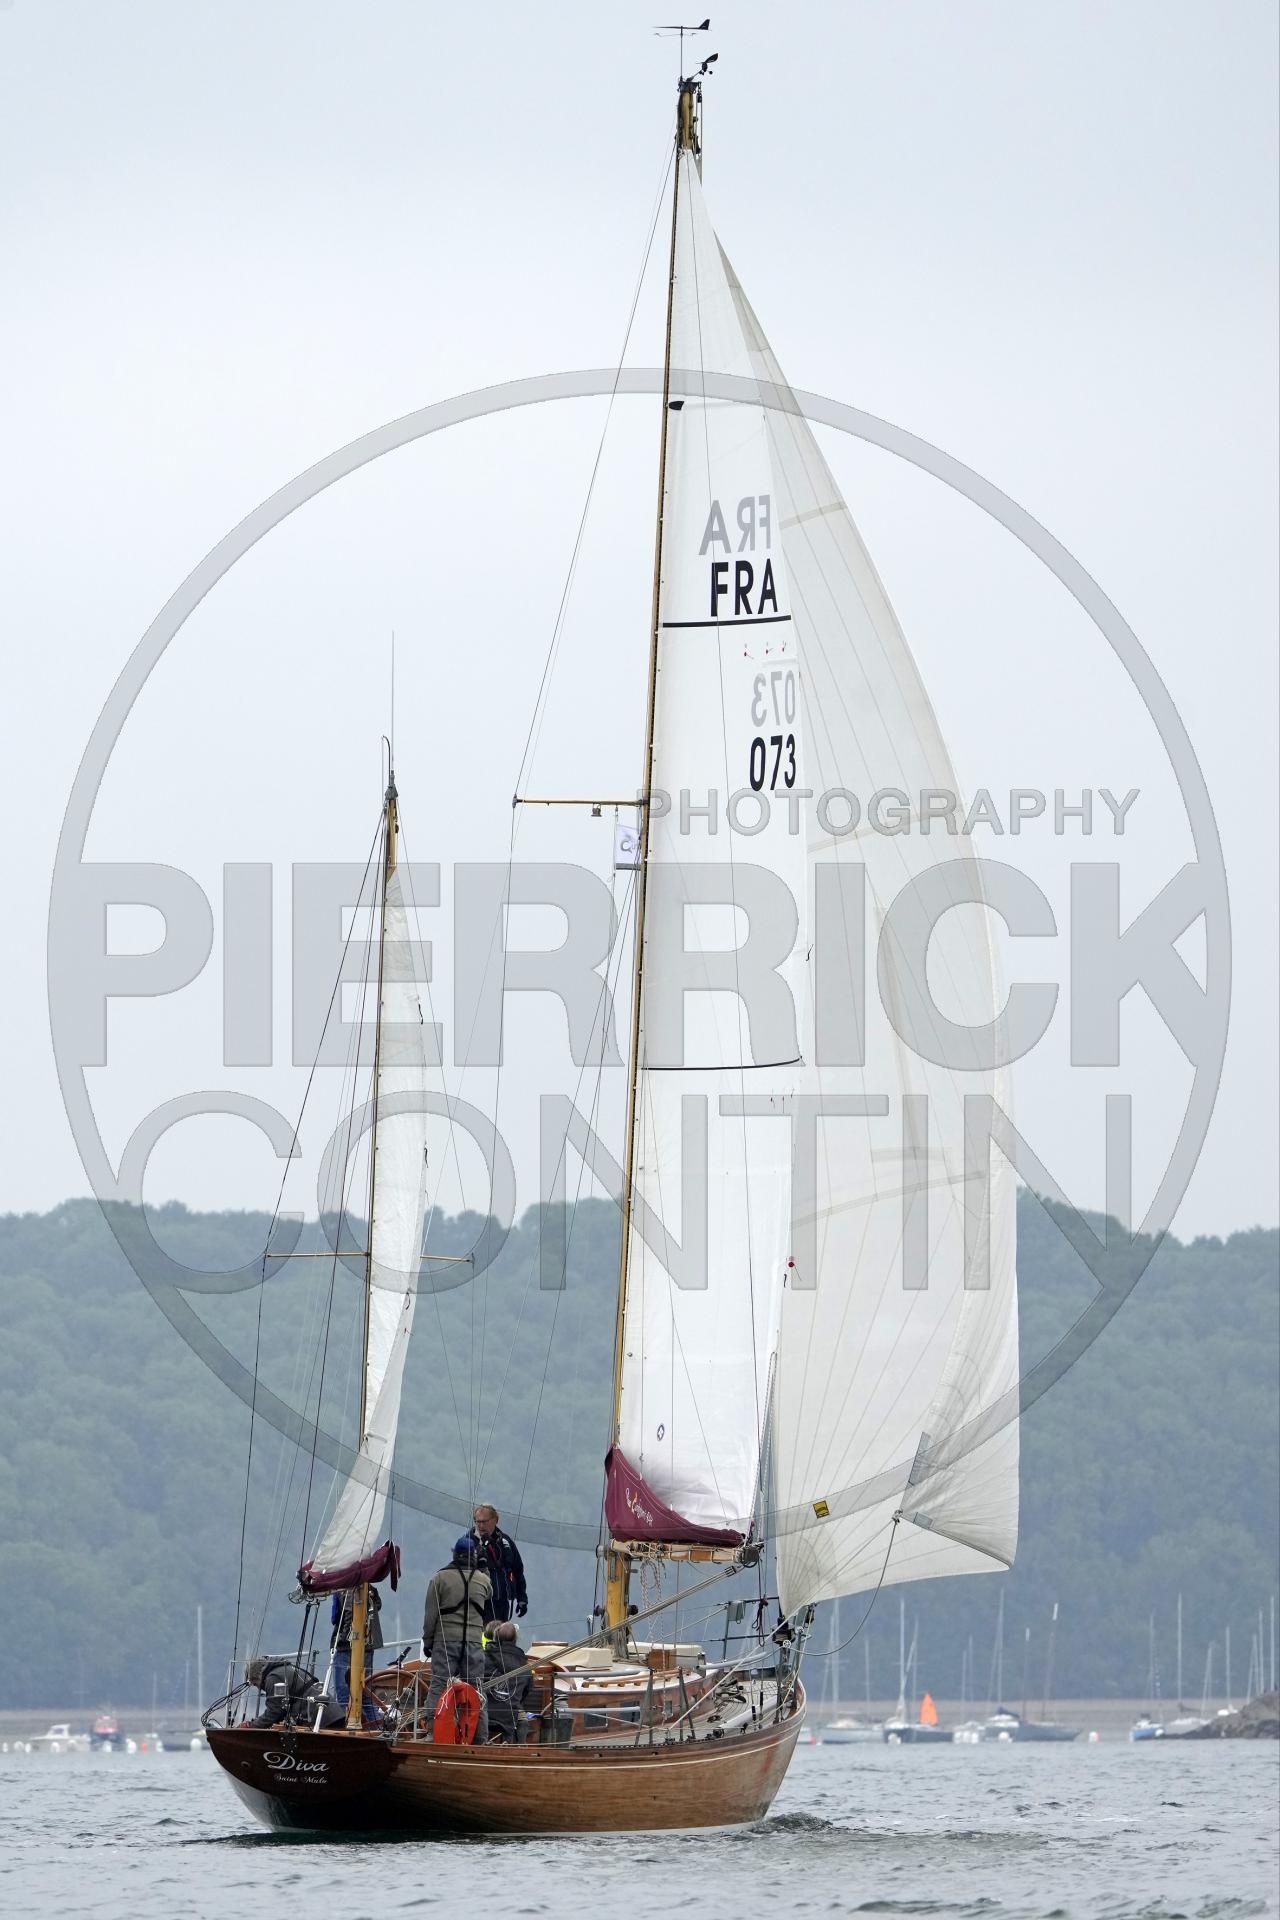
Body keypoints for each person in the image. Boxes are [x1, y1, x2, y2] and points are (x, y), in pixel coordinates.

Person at [422, 1537, 491, 1742]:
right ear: (474, 1557)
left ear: (454, 1554)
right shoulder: (483, 1580)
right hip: (473, 1642)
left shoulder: (439, 1578)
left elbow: (430, 1615)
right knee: (476, 1688)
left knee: (439, 1685)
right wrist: (484, 1569)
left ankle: (433, 1732)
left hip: (446, 1640)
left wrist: (428, 1640)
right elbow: (489, 1593)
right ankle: (480, 1737)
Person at [468, 1503, 528, 1624]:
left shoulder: (505, 1542)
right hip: (479, 1603)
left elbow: (518, 1570)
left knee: (501, 1634)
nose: (481, 1525)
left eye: (484, 1522)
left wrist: (522, 1598)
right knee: (484, 1634)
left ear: (495, 1520)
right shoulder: (468, 1542)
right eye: (478, 1522)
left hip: (503, 1602)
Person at [244, 1654, 342, 1728]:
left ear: (257, 1677)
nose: (260, 1688)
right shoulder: (284, 1669)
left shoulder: (273, 1678)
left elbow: (274, 1712)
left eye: (256, 1684)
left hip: (322, 1719)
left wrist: (252, 1725)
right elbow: (280, 1709)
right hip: (334, 1714)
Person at [330, 1584, 384, 1716]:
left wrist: (342, 1638)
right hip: (367, 1645)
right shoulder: (370, 1589)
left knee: (343, 1694)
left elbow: (346, 1615)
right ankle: (377, 1725)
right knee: (366, 1695)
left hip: (346, 1647)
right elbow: (378, 1605)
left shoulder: (346, 1588)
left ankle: (346, 1724)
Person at [482, 1620, 535, 1743]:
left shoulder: (483, 1658)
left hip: (482, 1712)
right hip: (509, 1714)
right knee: (522, 1717)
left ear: (495, 1638)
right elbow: (527, 1691)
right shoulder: (524, 1665)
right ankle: (518, 1748)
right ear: (515, 1640)